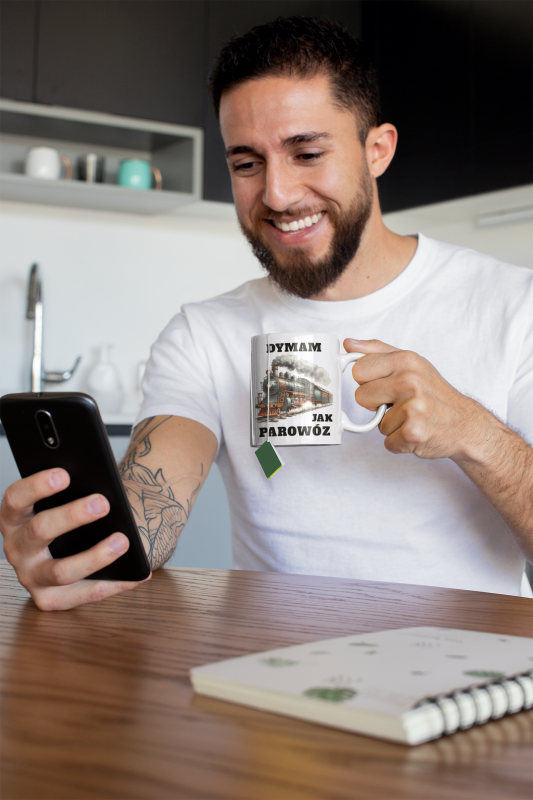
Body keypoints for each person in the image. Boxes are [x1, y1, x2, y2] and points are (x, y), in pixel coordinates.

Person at [1, 17, 532, 611]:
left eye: (306, 152)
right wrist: (90, 551)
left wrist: (476, 433)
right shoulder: (205, 334)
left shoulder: (514, 306)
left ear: (377, 149)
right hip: (268, 671)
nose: (276, 195)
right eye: (247, 164)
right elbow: (158, 491)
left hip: (468, 684)